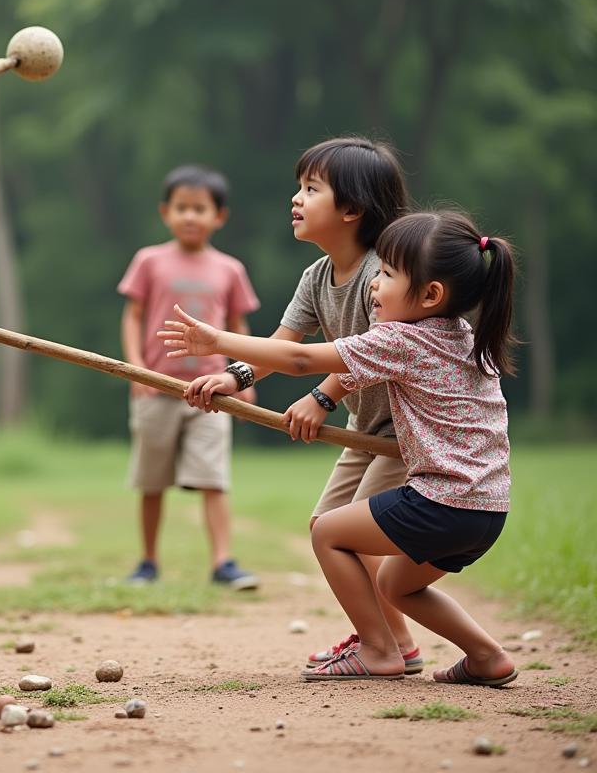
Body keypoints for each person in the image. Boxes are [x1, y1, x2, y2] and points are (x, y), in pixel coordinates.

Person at [162, 210, 517, 686]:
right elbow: (338, 363)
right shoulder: (462, 337)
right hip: (488, 511)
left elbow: (301, 357)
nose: (375, 284)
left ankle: (378, 650)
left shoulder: (404, 338)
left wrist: (216, 340)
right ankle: (486, 657)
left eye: (388, 274)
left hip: (442, 500)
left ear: (431, 294)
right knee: (394, 584)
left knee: (329, 532)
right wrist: (295, 391)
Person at [182, 138, 420, 672]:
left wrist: (322, 396)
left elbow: (374, 352)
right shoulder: (317, 277)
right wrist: (234, 377)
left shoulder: (384, 273)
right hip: (367, 425)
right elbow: (285, 344)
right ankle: (391, 642)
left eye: (311, 189)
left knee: (348, 534)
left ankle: (379, 649)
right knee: (329, 523)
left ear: (352, 210)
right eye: (299, 187)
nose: (296, 198)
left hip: (402, 432)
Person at [118, 164, 261, 590]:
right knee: (151, 480)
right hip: (156, 388)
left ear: (220, 216)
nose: (190, 217)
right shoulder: (149, 261)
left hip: (212, 391)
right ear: (165, 212)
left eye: (200, 209)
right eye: (181, 208)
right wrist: (134, 370)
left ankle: (223, 562)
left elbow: (239, 326)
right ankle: (147, 562)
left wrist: (244, 377)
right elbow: (133, 317)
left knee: (213, 479)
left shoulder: (230, 269)